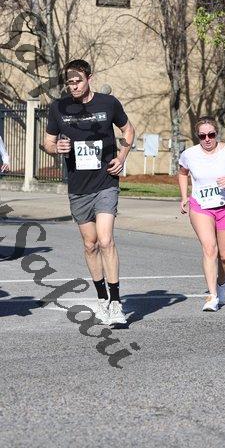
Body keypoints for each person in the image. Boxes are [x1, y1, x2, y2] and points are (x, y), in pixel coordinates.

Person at [44, 59, 135, 325]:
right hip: (78, 187)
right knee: (90, 244)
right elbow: (48, 142)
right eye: (70, 82)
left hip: (106, 181)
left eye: (78, 81)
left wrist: (122, 157)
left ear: (89, 79)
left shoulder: (108, 103)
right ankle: (101, 298)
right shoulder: (58, 108)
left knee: (106, 241)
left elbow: (128, 130)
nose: (74, 86)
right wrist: (56, 148)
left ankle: (116, 303)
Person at [179, 116, 225, 312]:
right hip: (201, 206)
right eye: (202, 136)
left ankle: (221, 283)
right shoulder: (189, 154)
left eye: (211, 135)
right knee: (210, 249)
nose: (207, 139)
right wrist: (184, 196)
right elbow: (182, 172)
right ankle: (212, 295)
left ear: (216, 134)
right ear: (197, 136)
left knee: (224, 257)